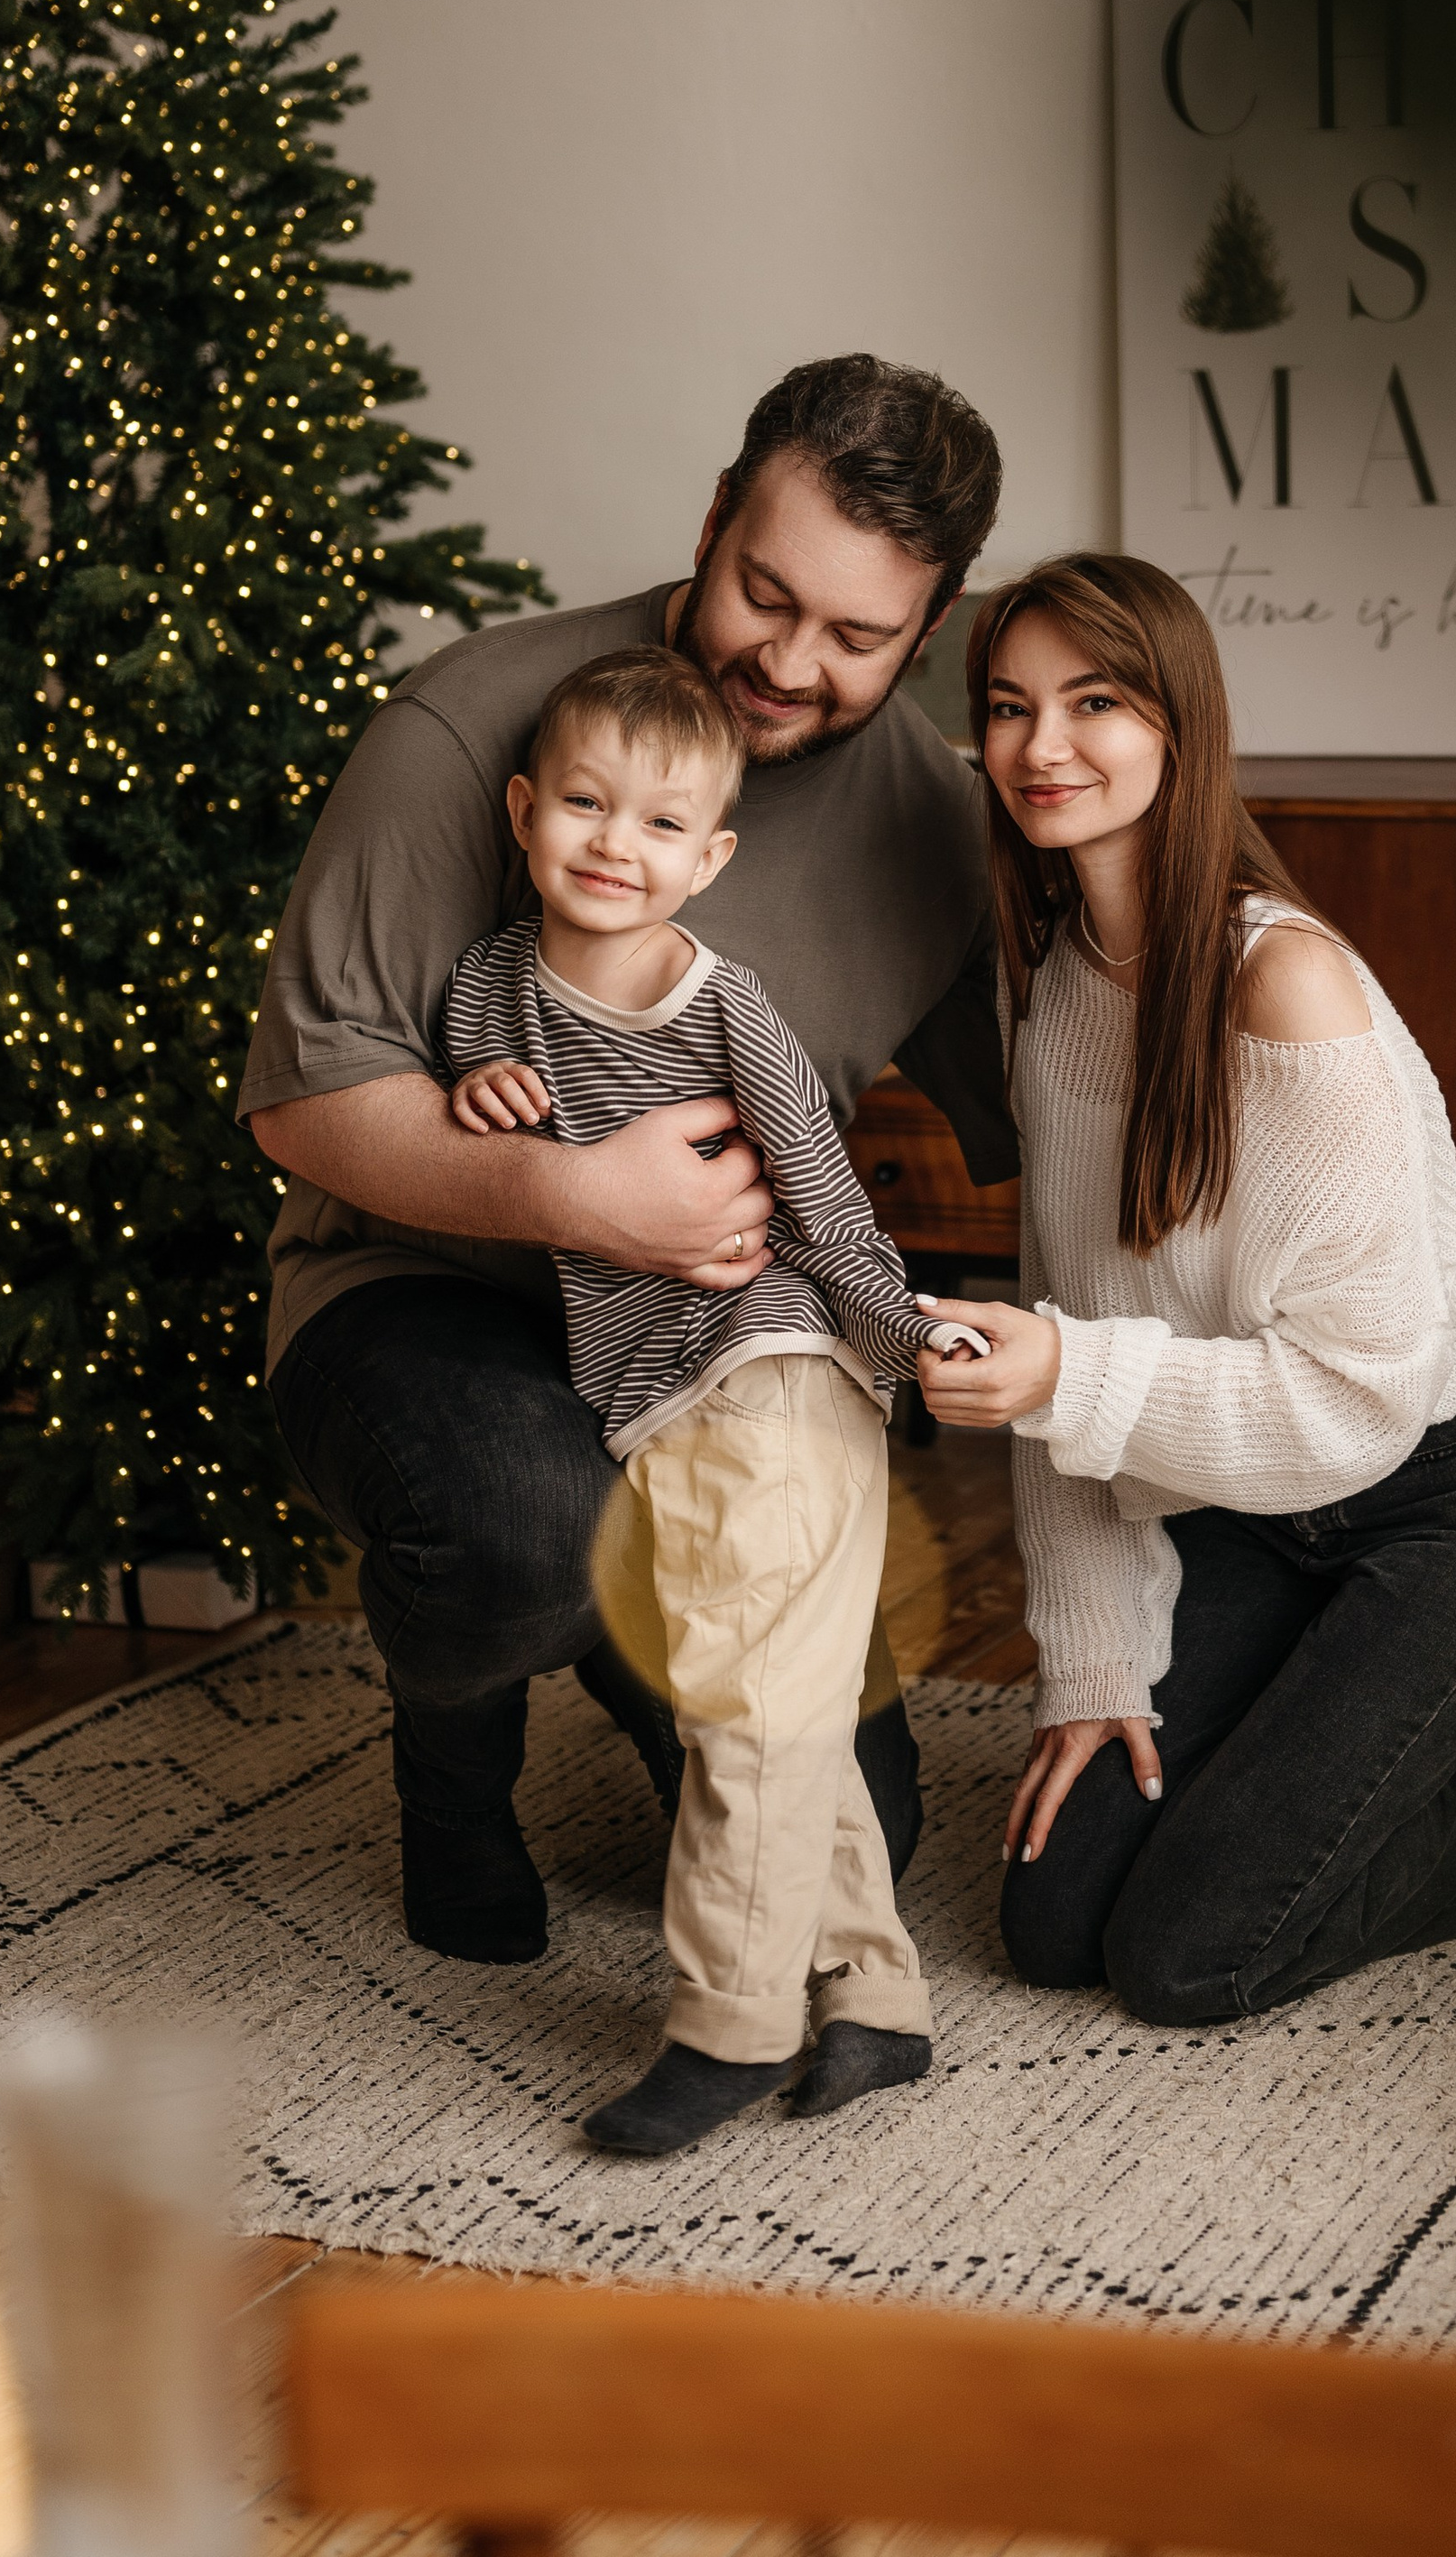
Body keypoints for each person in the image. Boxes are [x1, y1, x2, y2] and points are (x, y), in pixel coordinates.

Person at [239, 355, 1015, 1969]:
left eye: (858, 638)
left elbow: (1044, 1119)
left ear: (927, 635)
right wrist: (575, 1195)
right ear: (715, 517)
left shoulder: (933, 826)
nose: (788, 662)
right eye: (763, 592)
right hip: (422, 1297)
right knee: (527, 1533)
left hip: (711, 1363)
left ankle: (637, 1627)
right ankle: (454, 1768)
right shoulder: (476, 726)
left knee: (857, 1822)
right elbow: (303, 1103)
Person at [913, 553, 1456, 2019]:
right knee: (1053, 1927)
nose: (1041, 749)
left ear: (1179, 722)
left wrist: (1062, 1373)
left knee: (1192, 1957)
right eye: (1007, 707)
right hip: (1242, 1492)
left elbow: (1350, 1403)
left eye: (1093, 701)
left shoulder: (1281, 986)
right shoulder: (1046, 982)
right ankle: (1322, 1705)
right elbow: (1072, 1329)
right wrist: (1096, 1668)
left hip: (1450, 1485)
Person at [440, 645, 982, 2150]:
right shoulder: (494, 981)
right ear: (523, 809)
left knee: (742, 1710)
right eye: (589, 807)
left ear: (712, 857)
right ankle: (872, 2000)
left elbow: (814, 1189)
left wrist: (903, 1339)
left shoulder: (727, 1009)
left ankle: (727, 2026)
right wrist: (485, 1099)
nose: (619, 845)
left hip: (774, 1369)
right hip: (647, 1397)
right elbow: (484, 1064)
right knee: (776, 1699)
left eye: (663, 825)